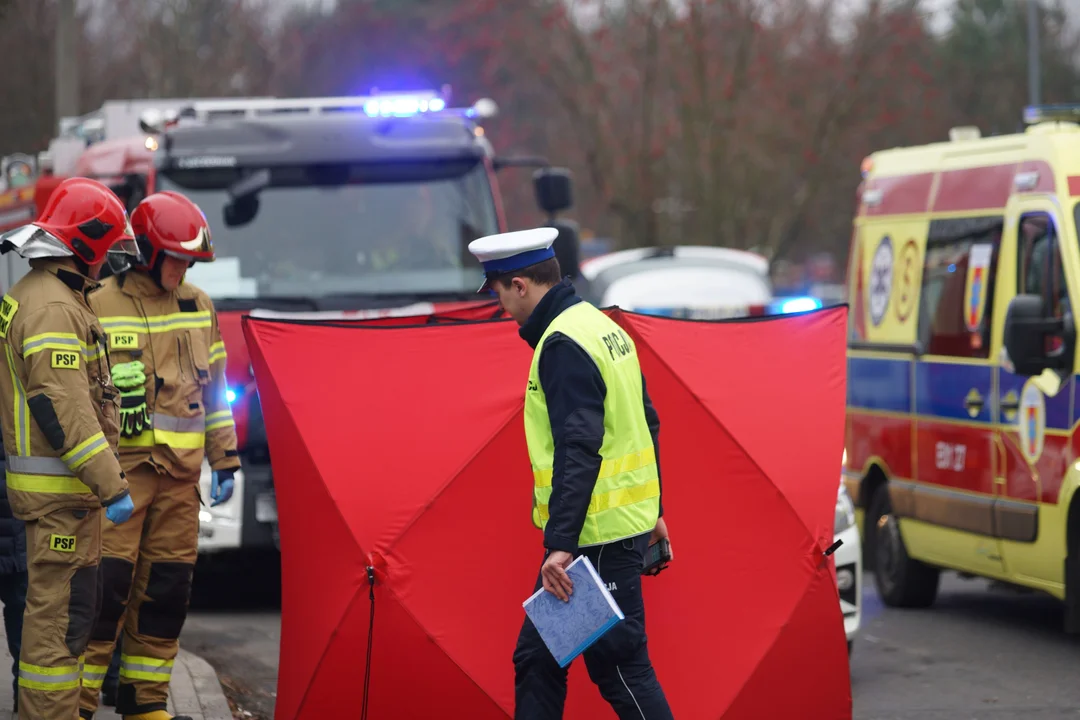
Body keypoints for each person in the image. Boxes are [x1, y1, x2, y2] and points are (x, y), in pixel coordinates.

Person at [467, 228, 675, 720]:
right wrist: (656, 510)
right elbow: (647, 422)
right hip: (613, 531)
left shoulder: (562, 343)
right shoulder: (599, 326)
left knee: (619, 668)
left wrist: (560, 544)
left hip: (595, 541)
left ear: (520, 285)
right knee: (540, 660)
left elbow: (578, 447)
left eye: (496, 290)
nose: (498, 305)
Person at [79, 191, 239, 720]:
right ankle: (77, 704)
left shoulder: (199, 306)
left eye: (189, 260)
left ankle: (145, 702)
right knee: (105, 597)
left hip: (179, 484)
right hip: (122, 482)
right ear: (146, 251)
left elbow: (215, 395)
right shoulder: (99, 303)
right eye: (174, 257)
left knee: (166, 596)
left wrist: (226, 459)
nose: (182, 268)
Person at [0, 176, 137, 720]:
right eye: (105, 250)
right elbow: (64, 410)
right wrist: (112, 485)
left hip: (62, 498)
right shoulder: (53, 308)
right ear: (85, 244)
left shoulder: (47, 295)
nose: (108, 263)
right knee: (57, 633)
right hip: (61, 498)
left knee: (64, 621)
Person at [0, 450, 27, 711]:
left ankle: (24, 688)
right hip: (15, 519)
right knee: (20, 609)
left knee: (21, 608)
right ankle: (24, 690)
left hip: (14, 523)